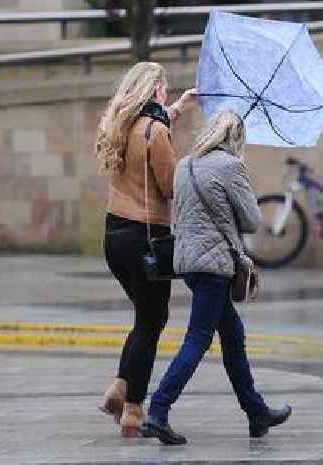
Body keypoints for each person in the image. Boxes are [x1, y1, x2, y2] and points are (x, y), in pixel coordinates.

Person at [142, 110, 292, 445]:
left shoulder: (185, 165)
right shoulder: (230, 166)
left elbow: (180, 214)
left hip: (189, 262)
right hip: (215, 267)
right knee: (197, 339)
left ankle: (257, 414)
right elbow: (253, 220)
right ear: (235, 137)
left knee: (233, 336)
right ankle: (158, 410)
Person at [95, 61, 196, 438]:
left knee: (144, 318)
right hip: (146, 239)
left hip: (114, 236)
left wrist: (179, 109)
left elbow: (152, 127)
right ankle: (133, 409)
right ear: (155, 90)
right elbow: (169, 186)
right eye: (165, 89)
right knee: (153, 322)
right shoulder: (155, 133)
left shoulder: (122, 125)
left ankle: (119, 390)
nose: (166, 95)